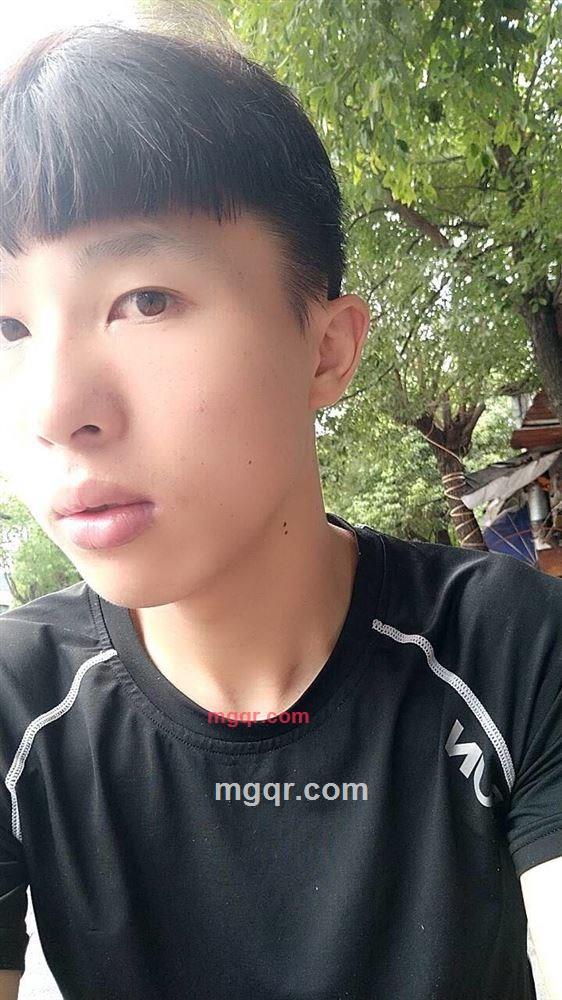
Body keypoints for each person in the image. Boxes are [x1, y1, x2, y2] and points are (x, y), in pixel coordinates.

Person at [0, 16, 561, 1000]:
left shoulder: (509, 650)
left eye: (145, 300)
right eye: (7, 326)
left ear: (326, 349)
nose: (54, 411)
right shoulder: (19, 705)